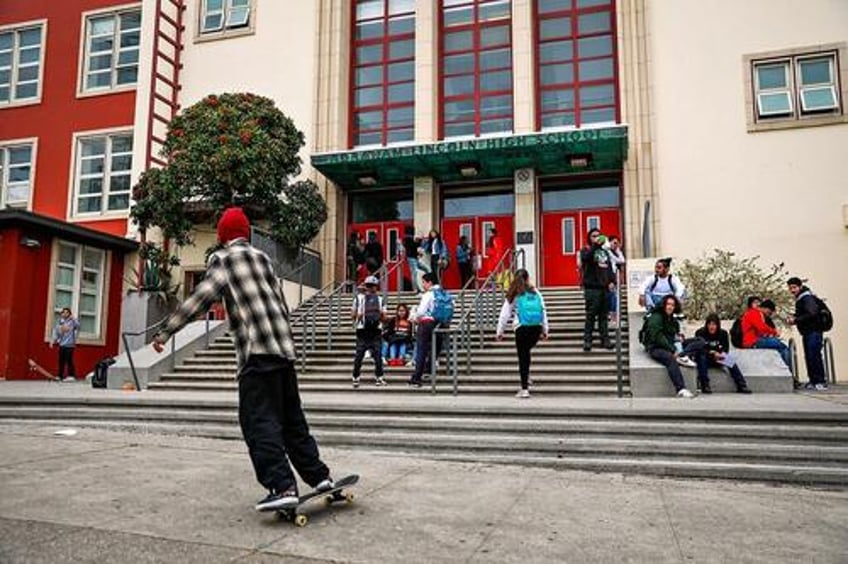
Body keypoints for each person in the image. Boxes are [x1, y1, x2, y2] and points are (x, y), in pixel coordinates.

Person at [153, 207, 334, 512]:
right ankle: (320, 477)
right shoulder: (264, 259)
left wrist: (165, 332)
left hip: (256, 354)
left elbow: (200, 298)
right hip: (283, 350)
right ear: (247, 234)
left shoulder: (222, 260)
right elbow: (280, 302)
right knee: (292, 421)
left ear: (223, 236)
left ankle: (282, 485)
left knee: (258, 422)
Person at [496, 269, 550, 398]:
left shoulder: (514, 293)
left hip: (521, 328)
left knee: (523, 357)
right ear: (528, 278)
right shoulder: (535, 291)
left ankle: (524, 389)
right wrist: (545, 329)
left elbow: (504, 315)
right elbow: (543, 310)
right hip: (536, 328)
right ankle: (527, 377)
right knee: (527, 352)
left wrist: (500, 331)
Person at [641, 295, 708, 398]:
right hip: (656, 347)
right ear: (664, 305)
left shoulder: (672, 319)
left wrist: (679, 338)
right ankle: (681, 389)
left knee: (701, 341)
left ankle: (682, 355)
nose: (670, 307)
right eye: (668, 304)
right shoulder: (656, 317)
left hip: (673, 344)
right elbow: (657, 336)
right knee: (671, 359)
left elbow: (674, 333)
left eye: (672, 305)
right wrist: (672, 350)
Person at [787, 277, 828, 391]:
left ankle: (820, 381)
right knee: (810, 356)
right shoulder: (802, 298)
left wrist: (796, 320)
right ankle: (814, 381)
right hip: (808, 331)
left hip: (813, 331)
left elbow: (812, 313)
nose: (792, 290)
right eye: (790, 288)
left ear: (800, 286)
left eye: (794, 287)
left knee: (814, 356)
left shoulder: (806, 297)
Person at [695, 314, 752, 394]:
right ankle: (705, 385)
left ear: (717, 325)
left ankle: (741, 385)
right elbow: (698, 348)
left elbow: (726, 349)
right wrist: (711, 353)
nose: (712, 327)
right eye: (710, 324)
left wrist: (720, 354)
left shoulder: (723, 334)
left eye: (714, 324)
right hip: (706, 358)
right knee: (701, 358)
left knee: (730, 360)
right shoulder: (700, 333)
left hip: (719, 357)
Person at [579, 228, 614, 351]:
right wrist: (595, 245)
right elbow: (586, 259)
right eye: (593, 236)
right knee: (591, 315)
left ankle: (605, 339)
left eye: (599, 236)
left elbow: (609, 267)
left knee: (604, 316)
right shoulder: (586, 250)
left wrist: (612, 281)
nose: (596, 238)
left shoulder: (604, 252)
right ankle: (587, 340)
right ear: (589, 238)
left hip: (604, 288)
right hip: (592, 288)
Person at [409, 272, 444, 388]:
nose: (423, 285)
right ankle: (428, 370)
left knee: (421, 351)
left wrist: (414, 317)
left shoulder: (428, 294)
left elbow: (421, 311)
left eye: (424, 282)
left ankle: (416, 379)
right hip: (440, 324)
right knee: (435, 349)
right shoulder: (443, 293)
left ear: (429, 282)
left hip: (426, 324)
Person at [351, 276, 387, 388]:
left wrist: (358, 316)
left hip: (362, 330)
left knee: (359, 355)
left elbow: (352, 316)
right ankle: (379, 377)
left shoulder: (358, 299)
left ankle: (356, 377)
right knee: (377, 355)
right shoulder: (381, 299)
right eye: (370, 286)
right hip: (376, 330)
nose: (370, 288)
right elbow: (384, 318)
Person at [740, 296, 791, 368]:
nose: (769, 315)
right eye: (769, 312)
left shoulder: (756, 314)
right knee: (783, 346)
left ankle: (783, 367)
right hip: (753, 341)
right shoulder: (754, 313)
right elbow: (761, 327)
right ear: (766, 308)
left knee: (779, 347)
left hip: (755, 340)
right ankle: (788, 369)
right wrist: (775, 332)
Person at [50, 308, 80, 382]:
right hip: (62, 345)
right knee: (61, 361)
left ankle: (71, 375)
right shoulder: (60, 322)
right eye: (64, 312)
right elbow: (56, 332)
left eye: (67, 313)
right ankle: (60, 375)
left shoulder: (72, 322)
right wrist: (53, 341)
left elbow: (78, 326)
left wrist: (74, 319)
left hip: (70, 345)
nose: (65, 314)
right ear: (62, 314)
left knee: (69, 360)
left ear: (69, 314)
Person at [606, 235, 626, 325]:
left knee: (615, 297)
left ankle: (614, 318)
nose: (615, 245)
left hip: (614, 276)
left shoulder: (616, 251)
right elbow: (618, 260)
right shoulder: (607, 251)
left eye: (617, 243)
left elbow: (622, 260)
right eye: (614, 243)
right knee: (612, 297)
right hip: (608, 277)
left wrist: (618, 250)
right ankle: (612, 318)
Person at [402, 227, 421, 293]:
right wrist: (419, 241)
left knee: (424, 269)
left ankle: (417, 287)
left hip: (414, 257)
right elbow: (413, 246)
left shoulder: (407, 239)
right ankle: (415, 288)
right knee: (414, 273)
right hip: (411, 258)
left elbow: (414, 247)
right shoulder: (408, 239)